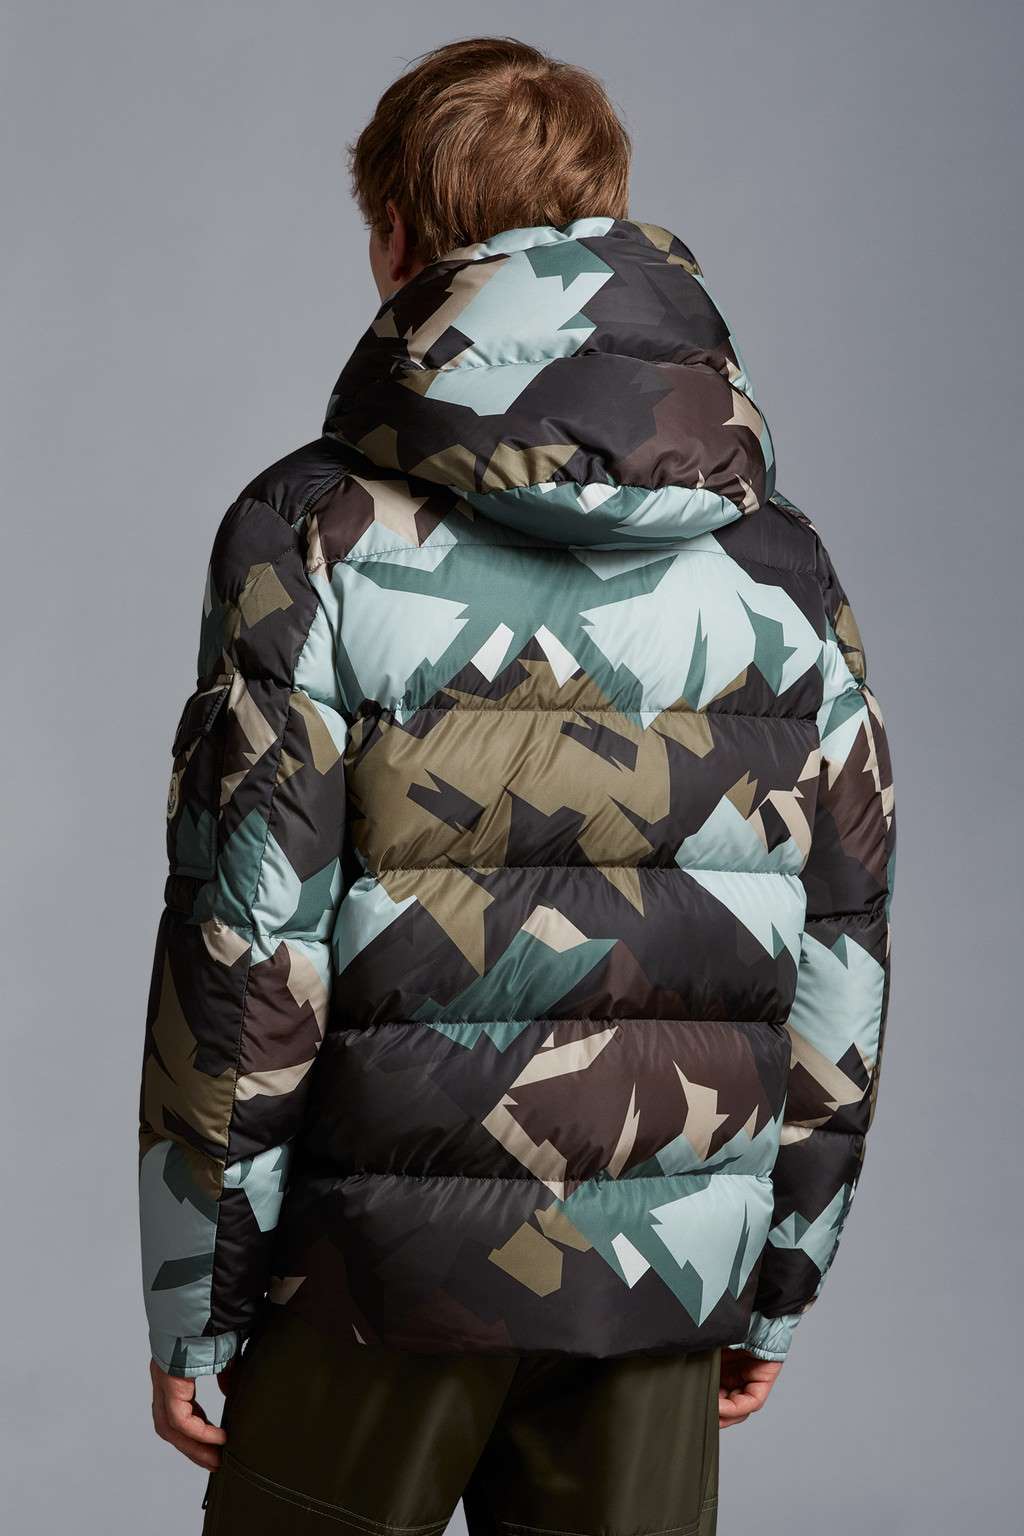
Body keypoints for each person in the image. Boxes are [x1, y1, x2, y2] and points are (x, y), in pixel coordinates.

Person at [140, 36, 896, 1536]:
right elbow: (842, 939)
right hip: (664, 1270)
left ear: (398, 239)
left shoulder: (312, 533)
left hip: (370, 1282)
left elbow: (249, 947)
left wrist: (197, 1297)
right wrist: (781, 1270)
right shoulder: (780, 564)